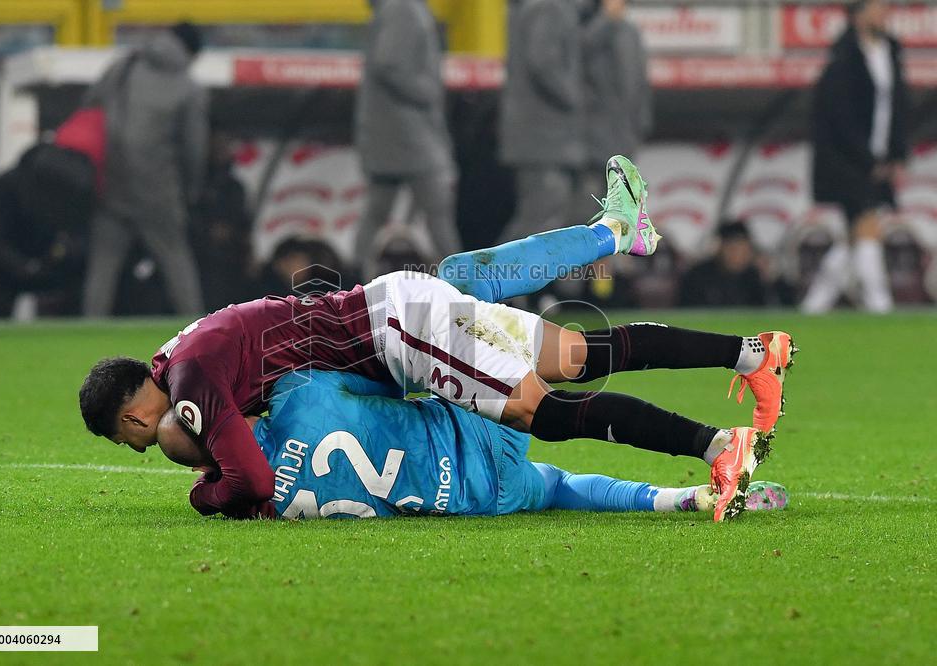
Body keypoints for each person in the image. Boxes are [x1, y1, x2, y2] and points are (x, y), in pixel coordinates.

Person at [79, 156, 795, 523]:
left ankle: (714, 446)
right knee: (579, 355)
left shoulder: (188, 390)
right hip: (397, 309)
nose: (141, 444)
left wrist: (206, 498)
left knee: (537, 411)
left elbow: (254, 482)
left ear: (132, 416)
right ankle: (749, 353)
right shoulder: (183, 351)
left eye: (127, 436)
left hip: (399, 336)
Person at [155, 369, 790, 520]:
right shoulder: (299, 392)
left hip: (477, 496)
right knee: (568, 362)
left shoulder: (252, 503)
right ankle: (726, 396)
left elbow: (220, 489)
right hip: (476, 427)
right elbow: (390, 370)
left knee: (562, 488)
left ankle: (684, 501)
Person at [82, 22, 208, 317]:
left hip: (112, 183)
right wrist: (190, 191)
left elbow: (90, 105)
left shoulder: (125, 66)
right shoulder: (189, 86)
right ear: (191, 52)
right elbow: (194, 149)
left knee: (103, 266)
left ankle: (88, 330)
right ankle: (197, 332)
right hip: (159, 189)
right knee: (176, 260)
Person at [804, 0, 909, 314]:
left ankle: (816, 302)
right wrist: (868, 160)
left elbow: (899, 108)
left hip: (877, 158)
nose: (885, 13)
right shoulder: (843, 57)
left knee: (855, 232)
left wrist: (896, 154)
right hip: (847, 159)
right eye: (878, 7)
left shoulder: (891, 51)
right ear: (858, 13)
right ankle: (880, 303)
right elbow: (840, 118)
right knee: (866, 223)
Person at [353, 0, 459, 275]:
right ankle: (464, 285)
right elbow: (389, 64)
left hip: (394, 133)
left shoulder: (398, 7)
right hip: (409, 134)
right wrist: (430, 92)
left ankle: (349, 286)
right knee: (439, 212)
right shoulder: (403, 7)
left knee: (377, 212)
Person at [498, 0, 590, 242]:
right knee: (539, 217)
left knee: (541, 217)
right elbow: (543, 61)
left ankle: (496, 275)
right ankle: (492, 276)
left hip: (539, 136)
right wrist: (575, 97)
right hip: (543, 137)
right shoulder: (550, 7)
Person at [0, 144, 94, 318]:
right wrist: (23, 267)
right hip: (1, 267)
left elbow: (81, 236)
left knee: (82, 277)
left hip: (54, 264)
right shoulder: (9, 186)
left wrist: (61, 255)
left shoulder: (75, 189)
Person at [578, 0, 651, 225]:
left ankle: (612, 257)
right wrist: (606, 20)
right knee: (587, 207)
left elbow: (639, 83)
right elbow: (577, 54)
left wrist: (640, 124)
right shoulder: (586, 24)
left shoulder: (630, 31)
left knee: (622, 208)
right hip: (591, 138)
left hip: (624, 133)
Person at [191, 129, 252, 310]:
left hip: (231, 257)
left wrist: (234, 235)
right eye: (216, 146)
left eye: (225, 146)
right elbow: (190, 216)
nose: (221, 151)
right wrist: (206, 231)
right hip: (201, 254)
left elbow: (243, 220)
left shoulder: (235, 186)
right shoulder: (196, 185)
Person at [680, 221, 767, 308]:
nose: (737, 255)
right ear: (719, 248)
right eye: (732, 249)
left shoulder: (754, 278)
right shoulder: (697, 277)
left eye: (743, 250)